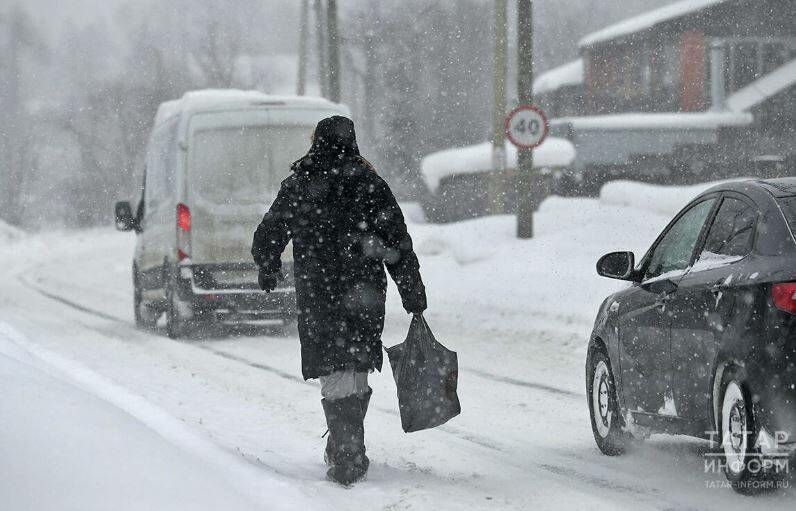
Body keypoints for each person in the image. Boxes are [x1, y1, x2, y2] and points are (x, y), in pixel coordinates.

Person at [251, 116, 427, 485]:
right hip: (364, 293)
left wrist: (268, 265)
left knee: (332, 365)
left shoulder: (300, 183)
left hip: (319, 294)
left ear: (317, 142)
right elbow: (397, 242)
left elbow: (270, 231)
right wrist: (412, 292)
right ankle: (347, 445)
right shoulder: (370, 184)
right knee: (356, 362)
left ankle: (346, 448)